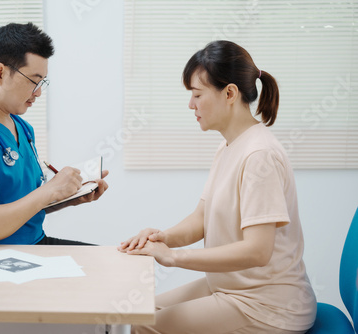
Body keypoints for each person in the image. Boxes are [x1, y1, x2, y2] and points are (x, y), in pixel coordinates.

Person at [118, 40, 317, 334]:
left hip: (269, 305)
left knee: (144, 327)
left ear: (230, 93)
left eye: (197, 94)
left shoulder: (259, 155)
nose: (191, 104)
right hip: (231, 286)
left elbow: (258, 251)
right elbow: (201, 218)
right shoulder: (229, 146)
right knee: (141, 312)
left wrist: (174, 258)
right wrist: (163, 238)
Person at [0, 23, 108, 247]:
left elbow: (26, 204)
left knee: (110, 262)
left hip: (31, 245)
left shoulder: (21, 127)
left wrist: (67, 196)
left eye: (42, 83)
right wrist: (49, 190)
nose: (38, 93)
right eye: (33, 81)